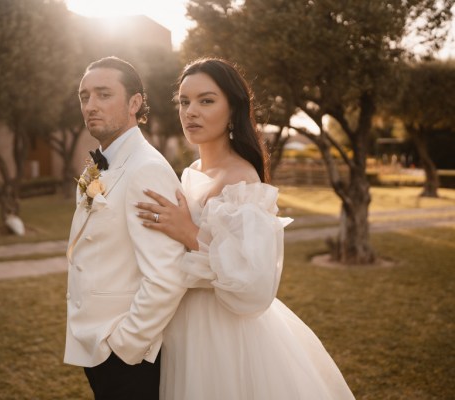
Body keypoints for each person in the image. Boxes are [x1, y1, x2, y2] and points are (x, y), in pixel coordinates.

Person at [136, 58, 355, 399]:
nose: (190, 111)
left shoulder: (242, 179)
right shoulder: (191, 170)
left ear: (233, 109)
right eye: (184, 101)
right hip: (179, 322)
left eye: (206, 100)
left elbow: (253, 282)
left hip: (223, 331)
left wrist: (189, 233)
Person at [63, 56, 187, 400]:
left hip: (126, 358)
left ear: (135, 103)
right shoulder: (103, 163)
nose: (90, 105)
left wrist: (125, 346)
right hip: (98, 345)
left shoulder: (145, 168)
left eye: (104, 94)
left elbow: (167, 276)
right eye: (84, 96)